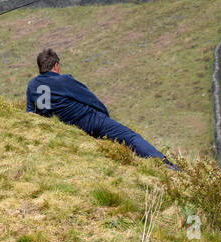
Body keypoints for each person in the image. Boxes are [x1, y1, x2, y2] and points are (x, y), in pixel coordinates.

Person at [26, 48, 174, 166]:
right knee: (131, 137)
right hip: (89, 120)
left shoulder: (32, 85)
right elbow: (90, 99)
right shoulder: (64, 80)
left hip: (64, 127)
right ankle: (164, 164)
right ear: (56, 66)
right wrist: (104, 117)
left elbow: (31, 113)